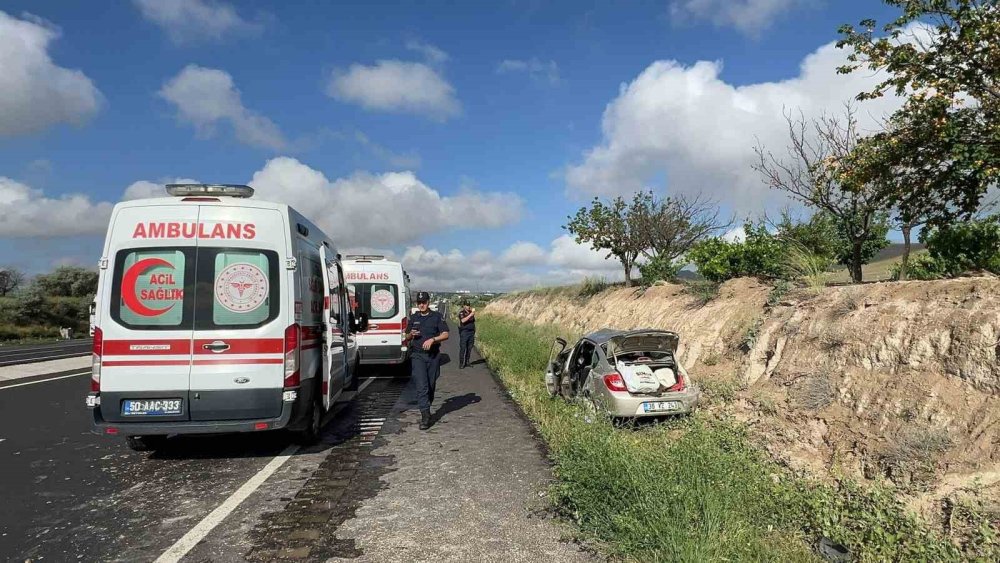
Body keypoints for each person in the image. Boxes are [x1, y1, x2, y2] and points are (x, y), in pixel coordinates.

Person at [408, 291, 449, 430]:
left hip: (432, 356)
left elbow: (445, 334)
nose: (421, 305)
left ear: (428, 302)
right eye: (419, 303)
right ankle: (425, 416)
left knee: (430, 386)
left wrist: (433, 339)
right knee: (422, 386)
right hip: (417, 355)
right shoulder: (413, 317)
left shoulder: (436, 317)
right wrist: (410, 335)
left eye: (424, 302)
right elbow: (406, 336)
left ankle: (427, 406)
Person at [457, 301, 476, 369]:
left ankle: (467, 361)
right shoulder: (462, 313)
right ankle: (461, 363)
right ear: (464, 306)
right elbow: (463, 321)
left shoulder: (471, 312)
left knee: (469, 348)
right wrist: (470, 315)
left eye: (469, 305)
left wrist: (472, 313)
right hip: (464, 332)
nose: (468, 306)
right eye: (467, 305)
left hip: (471, 332)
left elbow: (473, 321)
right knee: (463, 348)